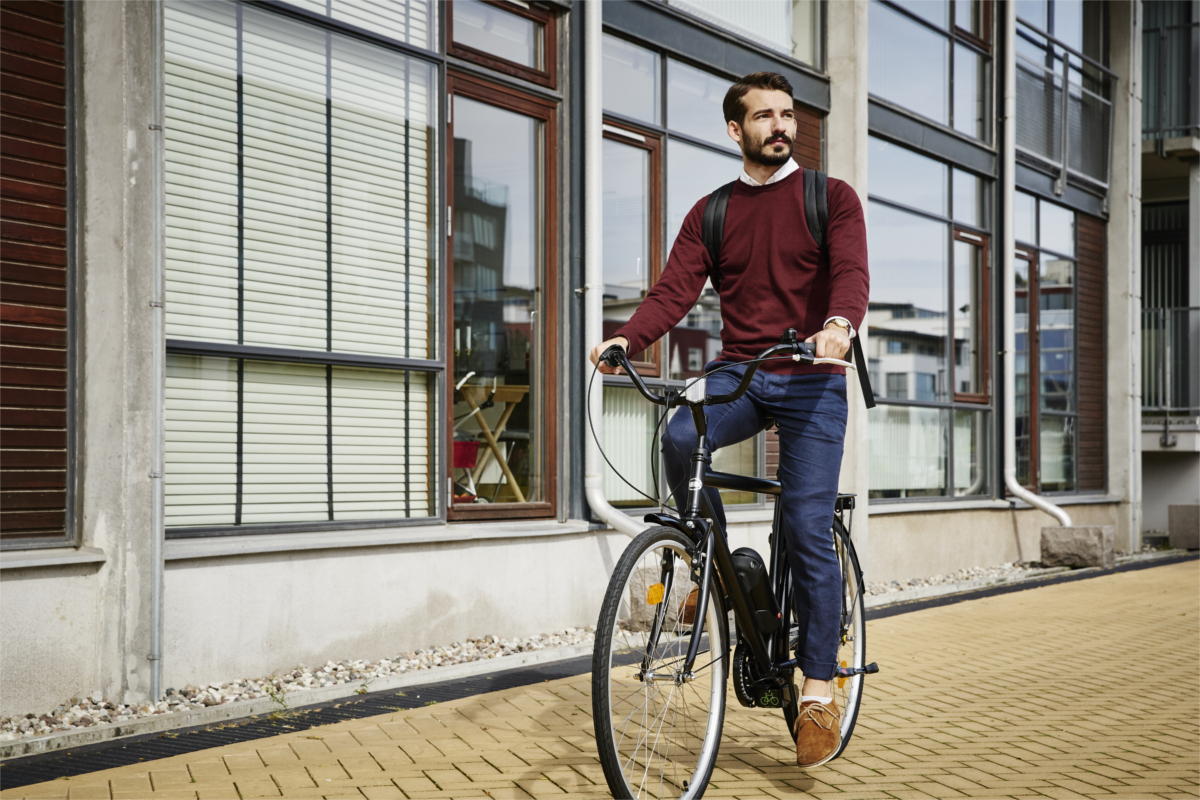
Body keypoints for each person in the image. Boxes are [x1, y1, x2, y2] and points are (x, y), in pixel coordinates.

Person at [589, 71, 869, 769]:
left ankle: (817, 691)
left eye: (787, 114)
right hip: (742, 374)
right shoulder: (712, 212)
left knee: (804, 525)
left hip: (813, 379)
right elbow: (673, 290)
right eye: (764, 116)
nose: (780, 125)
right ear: (734, 131)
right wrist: (629, 338)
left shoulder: (829, 197)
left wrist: (839, 326)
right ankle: (710, 572)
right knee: (678, 432)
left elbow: (850, 275)